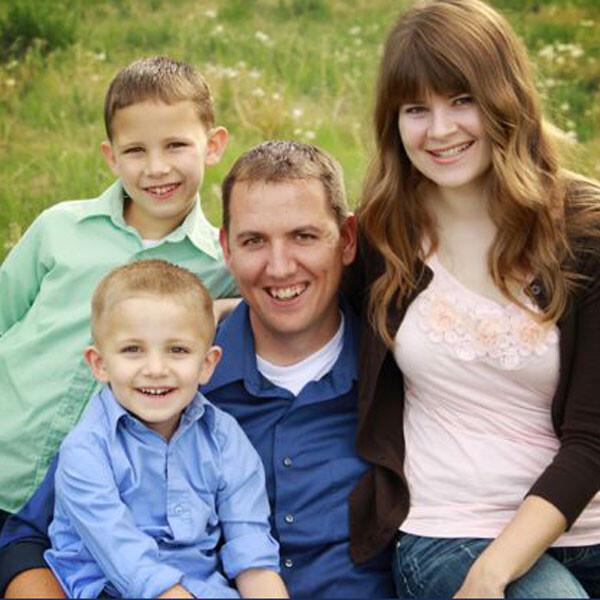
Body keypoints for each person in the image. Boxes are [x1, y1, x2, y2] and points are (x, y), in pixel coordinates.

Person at [0, 141, 396, 599]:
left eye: (304, 236)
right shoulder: (163, 381)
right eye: (253, 241)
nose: (280, 266)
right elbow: (28, 538)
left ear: (346, 240)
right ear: (226, 247)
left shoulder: (398, 369)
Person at [345, 0, 600, 597]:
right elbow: (289, 288)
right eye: (416, 109)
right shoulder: (385, 239)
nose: (439, 130)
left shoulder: (584, 232)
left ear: (506, 100)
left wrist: (495, 572)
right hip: (453, 533)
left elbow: (594, 437)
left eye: (462, 101)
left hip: (582, 523)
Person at [0, 55, 234, 528]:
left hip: (86, 501)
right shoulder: (60, 227)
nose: (156, 168)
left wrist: (229, 306)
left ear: (213, 145)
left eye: (175, 145)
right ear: (110, 155)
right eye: (135, 151)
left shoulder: (220, 265)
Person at [44, 259, 287, 599]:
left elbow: (251, 549)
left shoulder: (224, 438)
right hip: (112, 588)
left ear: (207, 364)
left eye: (177, 350)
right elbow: (128, 563)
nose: (156, 369)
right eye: (132, 350)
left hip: (203, 589)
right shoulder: (86, 450)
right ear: (100, 364)